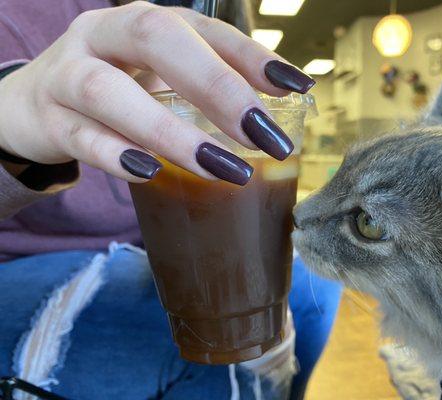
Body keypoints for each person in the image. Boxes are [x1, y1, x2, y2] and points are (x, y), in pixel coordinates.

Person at [0, 1, 342, 399]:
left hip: (154, 251)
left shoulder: (213, 14)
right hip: (20, 262)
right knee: (224, 357)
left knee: (311, 277)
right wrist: (8, 127)